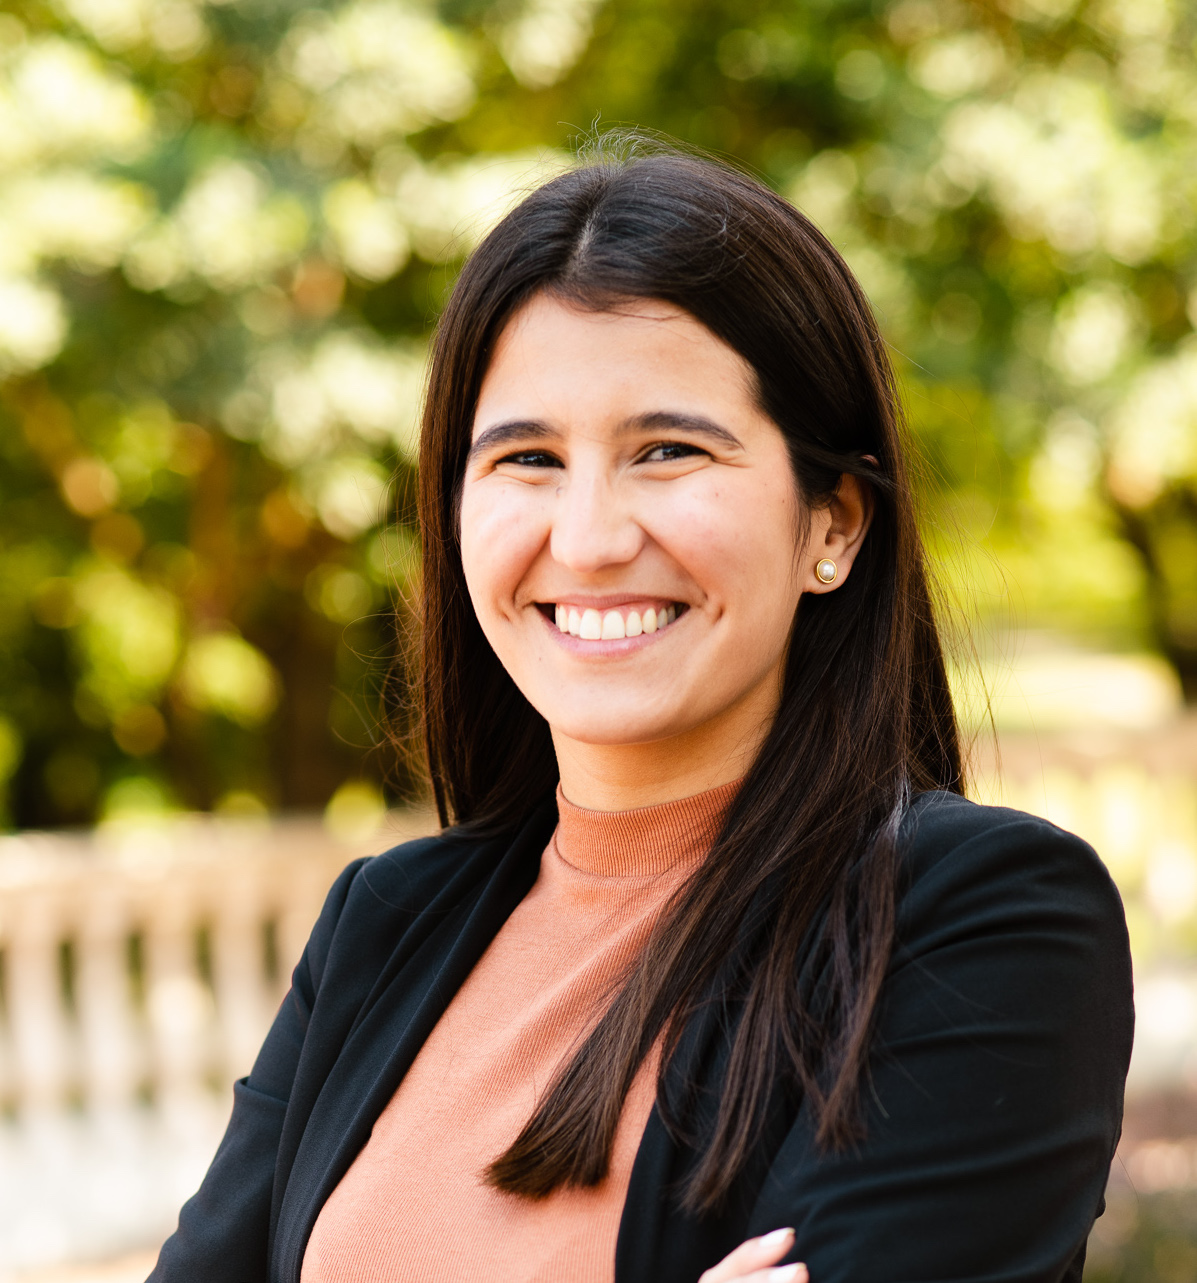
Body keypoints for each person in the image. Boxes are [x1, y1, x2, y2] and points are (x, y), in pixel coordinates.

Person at [148, 142, 1133, 1283]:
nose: (589, 537)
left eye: (668, 450)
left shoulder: (979, 925)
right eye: (526, 458)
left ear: (837, 523)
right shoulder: (385, 925)